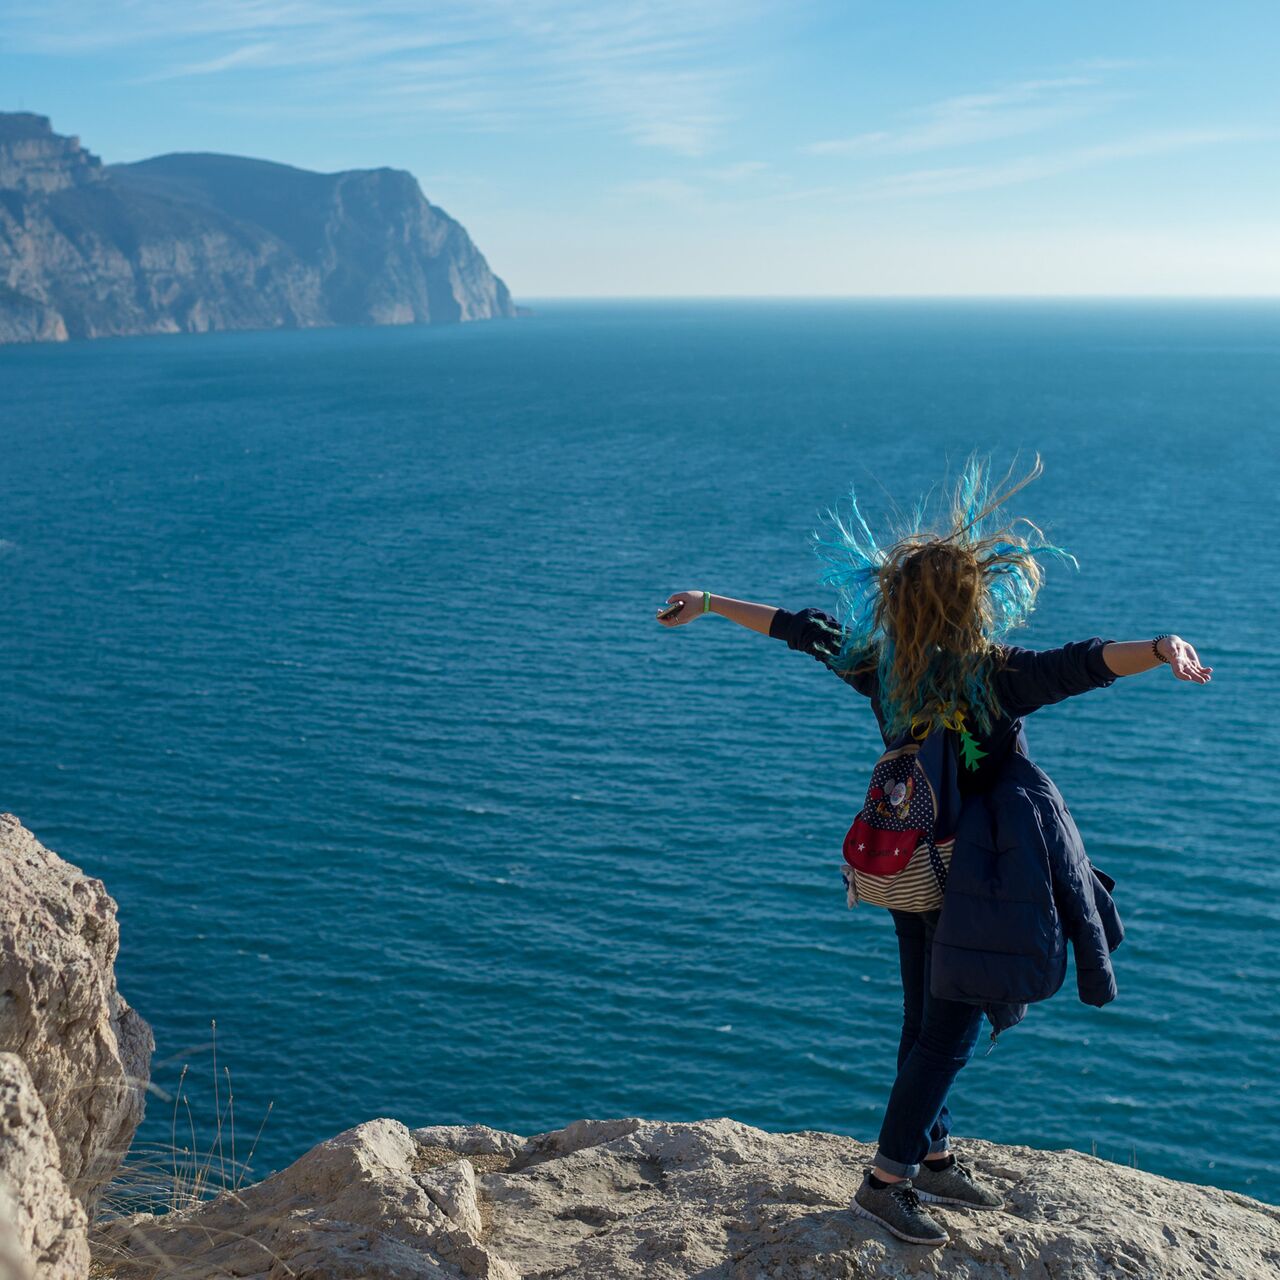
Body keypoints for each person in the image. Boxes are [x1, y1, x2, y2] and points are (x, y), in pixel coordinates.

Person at [656, 456, 1211, 1247]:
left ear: (899, 605)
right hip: (978, 878)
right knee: (947, 1030)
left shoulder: (883, 670)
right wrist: (1159, 647)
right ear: (974, 601)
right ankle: (886, 1181)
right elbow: (1083, 663)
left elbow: (798, 627)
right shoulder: (995, 677)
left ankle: (935, 1154)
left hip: (909, 866)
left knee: (922, 1016)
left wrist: (708, 603)